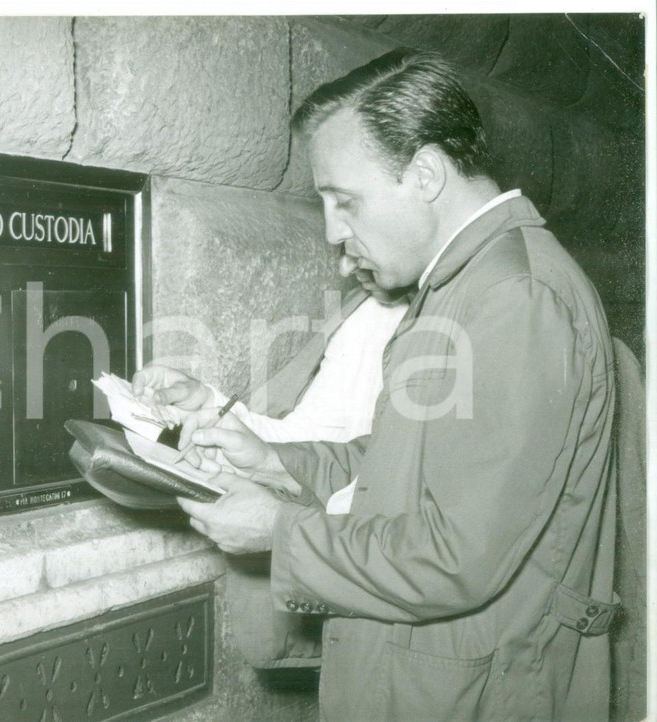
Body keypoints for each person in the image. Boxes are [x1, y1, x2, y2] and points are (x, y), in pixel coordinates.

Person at [164, 49, 618, 720]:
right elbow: (401, 467)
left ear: (426, 172)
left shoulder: (512, 298)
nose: (331, 232)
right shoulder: (467, 286)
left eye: (345, 201)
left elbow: (458, 556)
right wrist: (274, 461)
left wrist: (280, 534)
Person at [134, 267, 408, 446]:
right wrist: (207, 403)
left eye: (350, 207)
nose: (345, 266)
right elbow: (307, 440)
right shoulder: (370, 311)